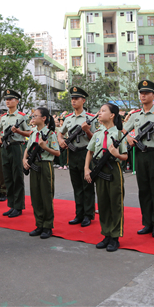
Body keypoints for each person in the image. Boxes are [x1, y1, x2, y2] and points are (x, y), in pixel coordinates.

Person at [123, 80, 154, 238]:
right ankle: (147, 222)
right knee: (143, 189)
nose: (143, 95)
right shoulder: (136, 115)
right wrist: (129, 138)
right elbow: (123, 129)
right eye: (141, 93)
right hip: (140, 153)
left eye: (146, 93)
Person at [84, 103, 128, 252]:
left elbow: (125, 156)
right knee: (102, 204)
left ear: (112, 115)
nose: (99, 113)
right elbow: (89, 152)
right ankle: (106, 234)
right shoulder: (97, 133)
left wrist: (117, 155)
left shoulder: (119, 134)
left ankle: (115, 236)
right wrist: (86, 169)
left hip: (113, 169)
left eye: (103, 111)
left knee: (115, 203)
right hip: (98, 169)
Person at [57, 86, 100, 227]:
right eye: (72, 98)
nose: (73, 101)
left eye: (76, 98)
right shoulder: (68, 119)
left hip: (86, 153)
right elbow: (60, 132)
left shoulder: (91, 118)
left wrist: (87, 131)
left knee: (87, 185)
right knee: (76, 185)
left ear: (83, 100)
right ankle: (79, 214)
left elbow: (95, 139)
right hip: (72, 153)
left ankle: (88, 214)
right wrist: (61, 141)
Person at [24, 107, 60, 239]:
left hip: (45, 165)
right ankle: (39, 224)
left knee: (46, 195)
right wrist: (24, 159)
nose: (33, 118)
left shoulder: (50, 134)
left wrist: (45, 148)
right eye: (32, 116)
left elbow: (57, 153)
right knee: (36, 195)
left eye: (35, 116)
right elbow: (28, 149)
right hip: (33, 165)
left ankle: (47, 225)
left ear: (44, 118)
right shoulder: (33, 132)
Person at [0, 89, 32, 218]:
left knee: (17, 177)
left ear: (16, 101)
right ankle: (11, 205)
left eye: (10, 99)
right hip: (5, 148)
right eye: (6, 99)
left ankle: (18, 206)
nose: (8, 101)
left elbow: (29, 133)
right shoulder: (4, 117)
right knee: (8, 177)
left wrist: (18, 132)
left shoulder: (22, 117)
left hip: (17, 148)